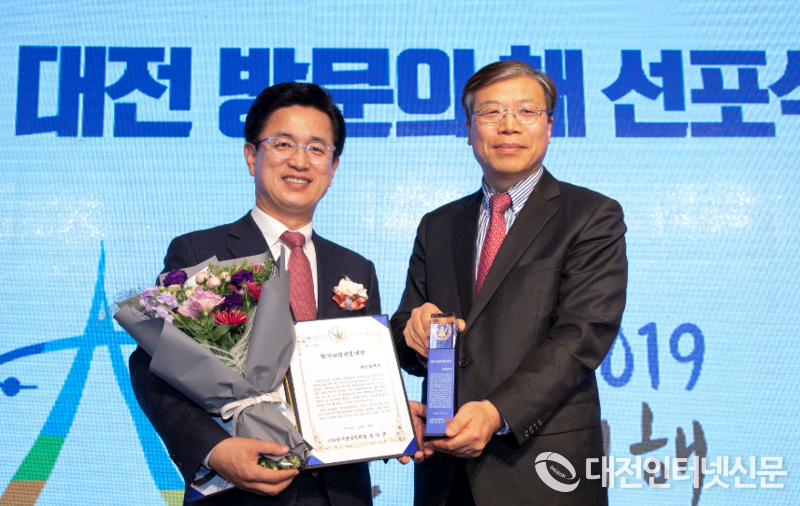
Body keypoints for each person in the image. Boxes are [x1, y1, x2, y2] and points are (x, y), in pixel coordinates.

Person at [129, 82, 380, 505]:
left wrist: (391, 418)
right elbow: (153, 366)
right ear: (251, 155)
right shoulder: (200, 252)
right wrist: (215, 450)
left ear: (333, 167)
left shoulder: (356, 269)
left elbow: (365, 372)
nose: (300, 160)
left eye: (317, 148)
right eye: (283, 143)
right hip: (241, 488)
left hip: (340, 492)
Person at [391, 61, 628, 505]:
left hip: (543, 468)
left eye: (526, 111)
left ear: (549, 127)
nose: (509, 125)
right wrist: (414, 332)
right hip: (446, 474)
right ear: (468, 129)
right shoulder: (438, 225)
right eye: (491, 112)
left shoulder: (591, 216)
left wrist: (496, 412)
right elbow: (406, 336)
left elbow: (581, 336)